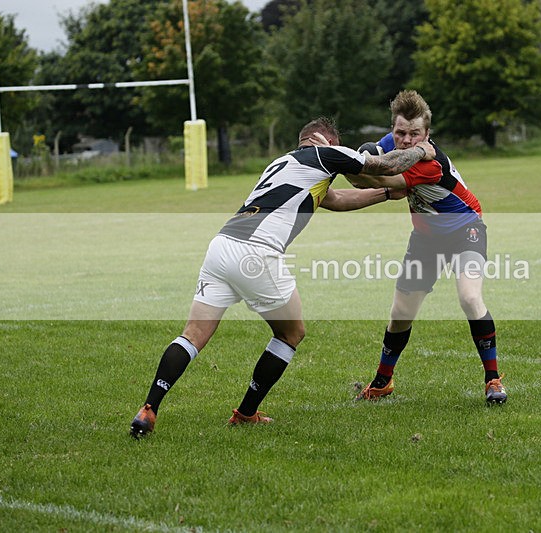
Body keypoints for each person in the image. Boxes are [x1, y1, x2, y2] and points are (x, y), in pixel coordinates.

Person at [129, 117, 436, 438]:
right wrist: (422, 151)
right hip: (257, 253)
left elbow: (337, 199)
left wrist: (386, 196)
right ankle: (246, 412)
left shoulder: (284, 162)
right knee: (291, 334)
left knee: (192, 335)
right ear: (325, 141)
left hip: (222, 246)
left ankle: (148, 408)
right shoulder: (327, 154)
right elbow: (385, 165)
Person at [346, 90, 506, 404]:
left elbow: (378, 178)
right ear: (393, 129)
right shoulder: (393, 143)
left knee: (470, 297)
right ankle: (383, 381)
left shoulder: (431, 163)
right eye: (400, 132)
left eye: (414, 134)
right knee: (400, 313)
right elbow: (371, 160)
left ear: (427, 134)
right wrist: (358, 159)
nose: (405, 140)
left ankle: (493, 379)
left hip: (466, 230)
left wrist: (348, 164)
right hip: (426, 238)